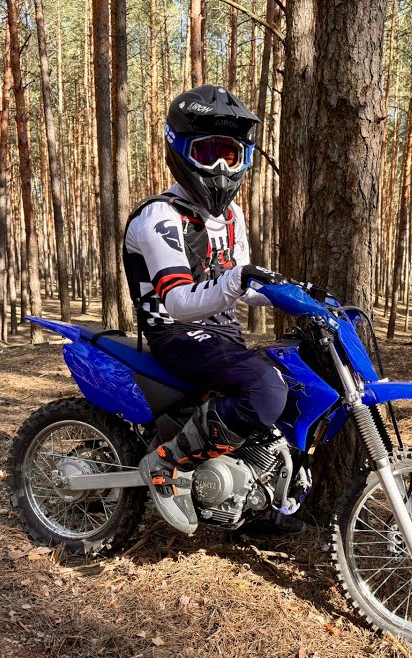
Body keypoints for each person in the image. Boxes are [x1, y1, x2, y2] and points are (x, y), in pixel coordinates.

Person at [122, 85, 301, 537]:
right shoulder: (159, 216)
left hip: (220, 334)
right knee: (264, 385)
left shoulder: (232, 216)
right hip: (175, 334)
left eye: (231, 154)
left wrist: (295, 296)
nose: (222, 167)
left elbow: (244, 285)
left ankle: (254, 506)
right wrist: (238, 281)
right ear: (180, 149)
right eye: (209, 152)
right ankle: (164, 464)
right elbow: (179, 302)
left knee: (295, 379)